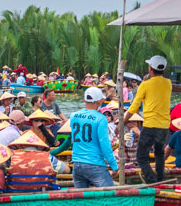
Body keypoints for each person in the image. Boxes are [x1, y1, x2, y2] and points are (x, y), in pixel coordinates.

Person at [123, 55, 172, 183]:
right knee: (159, 153)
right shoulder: (168, 83)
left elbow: (134, 106)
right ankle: (161, 179)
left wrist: (124, 120)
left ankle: (152, 180)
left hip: (151, 125)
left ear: (150, 68)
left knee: (141, 157)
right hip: (164, 125)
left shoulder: (145, 85)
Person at [70, 87, 117, 187]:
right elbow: (105, 144)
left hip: (77, 164)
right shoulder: (101, 119)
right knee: (110, 195)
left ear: (84, 100)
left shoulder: (73, 116)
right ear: (99, 101)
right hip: (94, 164)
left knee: (81, 199)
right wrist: (113, 165)